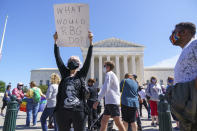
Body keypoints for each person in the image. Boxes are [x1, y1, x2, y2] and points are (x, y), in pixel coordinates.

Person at [54, 31, 93, 131]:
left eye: (75, 60)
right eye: (71, 60)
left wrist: (90, 42)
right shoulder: (65, 73)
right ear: (68, 63)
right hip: (63, 111)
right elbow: (58, 58)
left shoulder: (81, 74)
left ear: (79, 64)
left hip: (79, 111)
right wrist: (56, 42)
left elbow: (88, 59)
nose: (72, 61)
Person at [168, 22, 197, 130]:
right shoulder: (186, 49)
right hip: (187, 112)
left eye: (174, 33)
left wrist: (191, 95)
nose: (172, 36)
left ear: (184, 32)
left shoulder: (195, 44)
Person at [93, 61, 126, 131]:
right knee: (103, 121)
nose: (103, 68)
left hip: (112, 102)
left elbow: (105, 87)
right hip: (109, 102)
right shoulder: (111, 75)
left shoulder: (109, 74)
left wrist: (98, 100)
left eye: (104, 66)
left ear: (108, 67)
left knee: (118, 122)